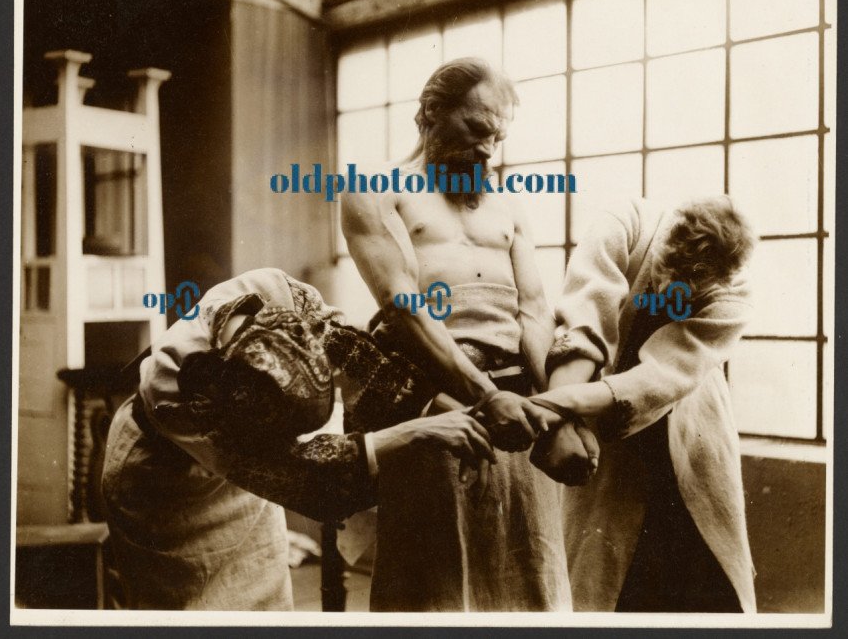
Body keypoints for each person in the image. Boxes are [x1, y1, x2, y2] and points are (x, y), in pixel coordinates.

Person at [341, 57, 596, 611]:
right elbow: (401, 306)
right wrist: (487, 396)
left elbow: (533, 310)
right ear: (432, 111)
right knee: (432, 581)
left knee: (529, 568)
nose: (487, 149)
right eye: (477, 129)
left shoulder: (508, 206)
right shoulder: (375, 188)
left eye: (497, 138)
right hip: (434, 401)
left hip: (519, 403)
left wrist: (560, 410)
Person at [101, 267, 496, 610]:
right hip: (161, 483)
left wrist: (454, 406)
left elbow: (360, 357)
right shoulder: (186, 402)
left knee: (264, 602)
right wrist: (417, 431)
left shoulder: (276, 294)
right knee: (191, 612)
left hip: (240, 463)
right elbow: (311, 478)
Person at [529, 196, 757, 612]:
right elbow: (585, 322)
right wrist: (561, 422)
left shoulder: (735, 291)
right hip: (597, 420)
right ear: (664, 248)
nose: (674, 298)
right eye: (671, 284)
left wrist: (554, 406)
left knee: (698, 574)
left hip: (688, 421)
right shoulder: (623, 223)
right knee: (604, 574)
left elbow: (663, 374)